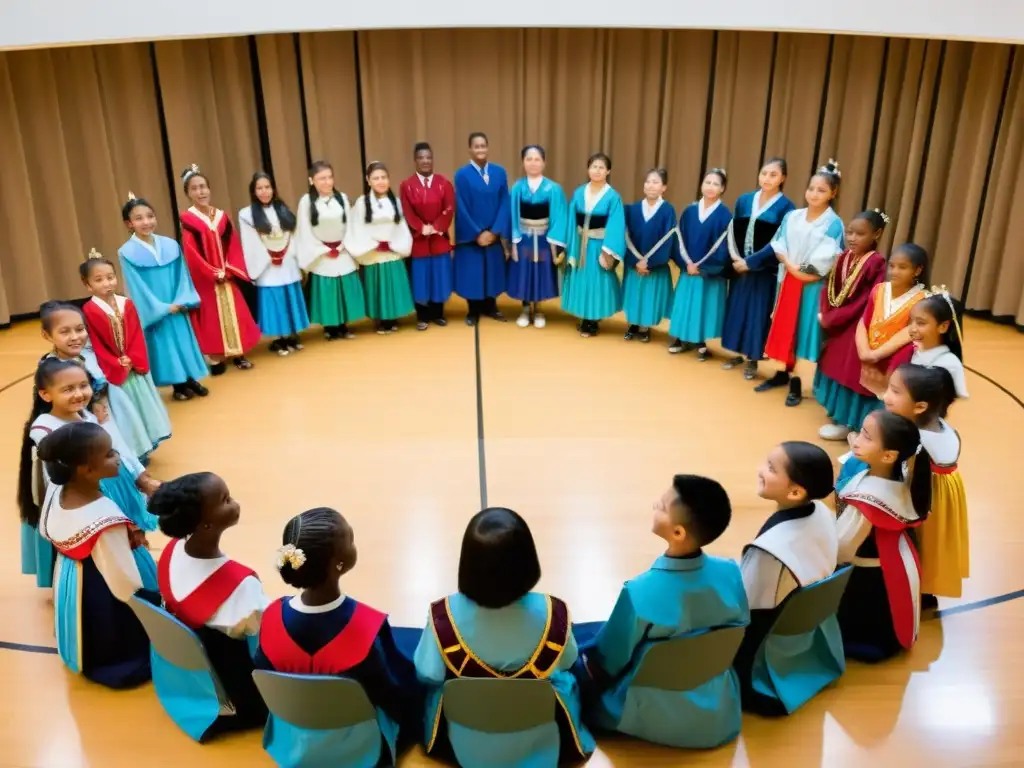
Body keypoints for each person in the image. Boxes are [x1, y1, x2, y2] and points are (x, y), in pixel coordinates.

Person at [575, 475, 747, 749]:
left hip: (648, 711)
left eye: (662, 507)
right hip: (716, 708)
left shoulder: (640, 592)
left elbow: (610, 660)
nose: (655, 504)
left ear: (678, 533)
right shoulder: (731, 572)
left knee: (579, 644)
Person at [414, 507, 594, 765]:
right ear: (528, 560)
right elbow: (568, 661)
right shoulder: (554, 612)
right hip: (541, 733)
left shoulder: (443, 615)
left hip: (464, 740)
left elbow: (427, 672)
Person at [255, 508, 423, 759]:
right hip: (357, 749)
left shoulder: (270, 620)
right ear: (339, 564)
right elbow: (393, 696)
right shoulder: (368, 627)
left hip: (294, 744)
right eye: (350, 539)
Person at [18, 359, 160, 589]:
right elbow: (60, 474)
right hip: (89, 495)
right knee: (101, 546)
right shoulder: (44, 427)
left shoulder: (86, 414)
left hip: (110, 484)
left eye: (83, 385)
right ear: (46, 395)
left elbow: (116, 447)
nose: (79, 394)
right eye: (68, 389)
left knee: (126, 538)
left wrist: (139, 477)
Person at [37, 422, 159, 688]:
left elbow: (46, 530)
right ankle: (120, 660)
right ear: (87, 470)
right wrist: (150, 600)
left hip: (72, 574)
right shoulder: (105, 517)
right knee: (115, 625)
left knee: (84, 621)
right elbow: (123, 580)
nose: (117, 457)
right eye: (109, 454)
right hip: (105, 587)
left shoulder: (57, 490)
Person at [150, 472, 270, 732]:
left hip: (186, 667)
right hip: (231, 679)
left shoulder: (171, 551)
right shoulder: (240, 585)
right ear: (205, 525)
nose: (235, 503)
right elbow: (260, 631)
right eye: (226, 500)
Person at [735, 442, 841, 715]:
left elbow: (746, 603)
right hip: (810, 614)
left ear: (795, 491)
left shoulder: (769, 551)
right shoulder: (823, 512)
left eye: (771, 468)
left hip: (770, 627)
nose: (761, 470)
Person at [836, 410, 932, 661]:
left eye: (866, 437)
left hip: (864, 572)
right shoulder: (904, 477)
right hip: (892, 563)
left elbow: (844, 546)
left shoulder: (868, 500)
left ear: (888, 455)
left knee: (861, 610)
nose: (855, 439)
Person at [759, 161, 845, 406]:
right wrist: (789, 265)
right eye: (811, 188)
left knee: (805, 330)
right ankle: (784, 371)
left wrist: (800, 273)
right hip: (788, 279)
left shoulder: (833, 223)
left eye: (821, 190)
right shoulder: (793, 216)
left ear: (833, 193)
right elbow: (779, 244)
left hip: (810, 285)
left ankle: (800, 381)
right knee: (786, 326)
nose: (814, 194)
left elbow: (826, 258)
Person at [881, 364, 967, 603]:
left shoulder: (913, 440)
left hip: (924, 500)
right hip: (944, 500)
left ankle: (912, 587)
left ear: (920, 407)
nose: (885, 397)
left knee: (919, 545)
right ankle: (927, 588)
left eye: (895, 392)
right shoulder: (947, 428)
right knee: (935, 546)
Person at [40, 299, 158, 462]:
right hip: (80, 423)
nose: (75, 337)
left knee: (118, 443)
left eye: (80, 329)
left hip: (103, 411)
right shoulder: (51, 368)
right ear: (47, 335)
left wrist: (99, 399)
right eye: (65, 332)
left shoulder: (85, 355)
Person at [117, 194, 209, 402]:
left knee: (183, 341)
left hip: (177, 301)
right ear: (129, 224)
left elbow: (182, 275)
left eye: (150, 216)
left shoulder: (170, 245)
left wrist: (183, 299)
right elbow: (135, 286)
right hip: (156, 308)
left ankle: (190, 379)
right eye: (139, 218)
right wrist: (161, 308)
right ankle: (178, 384)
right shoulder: (127, 252)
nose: (146, 222)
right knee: (165, 345)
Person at [80, 253, 172, 455]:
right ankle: (135, 451)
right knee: (126, 413)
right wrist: (115, 362)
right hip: (114, 371)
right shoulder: (89, 310)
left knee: (143, 410)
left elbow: (137, 334)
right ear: (87, 285)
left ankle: (147, 443)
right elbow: (96, 343)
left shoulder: (126, 304)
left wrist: (132, 357)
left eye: (111, 277)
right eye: (99, 280)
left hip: (133, 366)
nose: (107, 283)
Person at [813, 210, 890, 440]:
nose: (853, 238)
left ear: (876, 234)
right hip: (839, 321)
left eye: (860, 233)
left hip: (858, 324)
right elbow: (830, 288)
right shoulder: (844, 257)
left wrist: (834, 318)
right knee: (833, 362)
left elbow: (868, 299)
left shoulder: (876, 263)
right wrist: (826, 312)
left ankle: (852, 421)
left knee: (850, 368)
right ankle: (837, 413)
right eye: (850, 232)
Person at [179, 164, 260, 374]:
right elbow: (191, 252)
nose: (201, 192)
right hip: (206, 280)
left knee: (235, 313)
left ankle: (238, 353)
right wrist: (213, 273)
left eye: (203, 186)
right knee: (211, 318)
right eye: (195, 188)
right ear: (187, 193)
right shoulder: (189, 220)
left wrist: (229, 269)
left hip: (227, 274)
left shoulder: (221, 216)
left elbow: (232, 245)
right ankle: (216, 357)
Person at [720, 157, 796, 379]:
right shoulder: (744, 200)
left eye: (773, 175)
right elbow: (733, 229)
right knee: (737, 308)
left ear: (783, 178)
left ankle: (753, 358)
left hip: (764, 270)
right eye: (764, 173)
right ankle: (735, 351)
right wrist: (736, 259)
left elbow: (779, 241)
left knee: (758, 313)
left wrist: (751, 262)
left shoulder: (787, 207)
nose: (767, 178)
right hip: (739, 265)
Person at [239, 171, 310, 355]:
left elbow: (293, 235)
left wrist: (288, 254)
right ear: (253, 191)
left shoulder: (283, 209)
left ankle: (292, 335)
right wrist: (269, 256)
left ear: (273, 189)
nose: (264, 191)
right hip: (267, 265)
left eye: (267, 187)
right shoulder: (247, 215)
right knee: (274, 300)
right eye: (260, 188)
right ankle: (279, 339)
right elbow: (250, 242)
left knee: (289, 298)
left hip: (286, 262)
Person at [296, 160, 367, 340]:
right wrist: (322, 248)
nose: (327, 182)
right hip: (321, 251)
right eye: (321, 178)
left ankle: (343, 324)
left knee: (344, 287)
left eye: (329, 177)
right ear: (312, 180)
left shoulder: (341, 198)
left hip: (342, 248)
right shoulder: (306, 201)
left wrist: (343, 245)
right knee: (327, 290)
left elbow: (350, 224)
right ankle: (330, 326)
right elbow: (304, 229)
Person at [668, 167, 732, 360]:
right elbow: (679, 239)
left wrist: (703, 268)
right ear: (701, 185)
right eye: (707, 182)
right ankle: (680, 337)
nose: (711, 187)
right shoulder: (689, 211)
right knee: (684, 303)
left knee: (703, 305)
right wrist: (686, 264)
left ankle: (699, 340)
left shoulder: (725, 215)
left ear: (722, 189)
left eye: (716, 184)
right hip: (688, 269)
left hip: (708, 273)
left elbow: (724, 247)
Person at [561, 152, 627, 338]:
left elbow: (616, 224)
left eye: (601, 167)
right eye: (593, 166)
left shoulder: (613, 197)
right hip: (580, 242)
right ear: (588, 169)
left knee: (596, 280)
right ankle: (584, 314)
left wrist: (608, 250)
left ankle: (592, 319)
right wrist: (571, 245)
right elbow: (571, 221)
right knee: (582, 279)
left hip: (599, 245)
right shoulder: (579, 192)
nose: (597, 170)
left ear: (608, 171)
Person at [346, 161, 416, 334]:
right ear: (368, 181)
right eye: (376, 178)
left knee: (393, 284)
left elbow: (401, 228)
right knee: (377, 287)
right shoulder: (362, 203)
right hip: (373, 252)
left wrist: (392, 243)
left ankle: (393, 317)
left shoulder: (396, 202)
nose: (380, 181)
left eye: (384, 177)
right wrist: (375, 244)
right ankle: (380, 319)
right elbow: (357, 227)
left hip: (392, 250)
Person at [854, 243, 929, 396]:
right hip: (868, 355)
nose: (894, 271)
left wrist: (875, 355)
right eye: (892, 266)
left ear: (917, 270)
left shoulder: (923, 300)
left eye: (902, 267)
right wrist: (864, 352)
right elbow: (864, 321)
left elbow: (910, 333)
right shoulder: (879, 289)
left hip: (892, 360)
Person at [507, 144, 569, 329]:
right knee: (525, 271)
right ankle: (525, 308)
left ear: (544, 162)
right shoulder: (517, 187)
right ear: (523, 162)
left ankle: (539, 308)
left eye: (537, 159)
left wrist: (554, 242)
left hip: (544, 239)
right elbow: (512, 214)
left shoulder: (553, 189)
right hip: (524, 237)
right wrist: (514, 240)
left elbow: (560, 216)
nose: (533, 163)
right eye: (529, 159)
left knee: (541, 271)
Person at [453, 132, 511, 325]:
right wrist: (478, 233)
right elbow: (460, 206)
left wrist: (494, 231)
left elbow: (504, 202)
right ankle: (473, 311)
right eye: (476, 146)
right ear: (470, 149)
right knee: (473, 273)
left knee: (492, 271)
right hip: (473, 236)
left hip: (493, 234)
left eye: (483, 146)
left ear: (488, 148)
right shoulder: (461, 175)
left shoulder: (499, 172)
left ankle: (491, 307)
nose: (480, 149)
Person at [400, 142, 455, 331]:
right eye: (421, 157)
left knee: (439, 276)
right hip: (419, 240)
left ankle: (438, 313)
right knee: (421, 277)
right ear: (415, 160)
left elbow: (449, 208)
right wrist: (421, 227)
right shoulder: (406, 185)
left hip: (438, 239)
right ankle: (422, 316)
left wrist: (437, 226)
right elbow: (407, 211)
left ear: (433, 160)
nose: (425, 161)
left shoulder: (444, 183)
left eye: (428, 157)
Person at [622, 168, 679, 343]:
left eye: (656, 182)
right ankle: (632, 324)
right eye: (648, 182)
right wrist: (635, 261)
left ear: (664, 187)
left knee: (648, 296)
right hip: (634, 263)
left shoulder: (668, 210)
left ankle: (645, 326)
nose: (651, 186)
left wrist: (650, 263)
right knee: (634, 294)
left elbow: (668, 240)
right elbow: (626, 237)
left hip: (653, 266)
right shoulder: (632, 209)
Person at [902, 290, 969, 398]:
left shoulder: (949, 364)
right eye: (911, 321)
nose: (912, 329)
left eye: (921, 323)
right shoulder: (912, 351)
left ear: (943, 327)